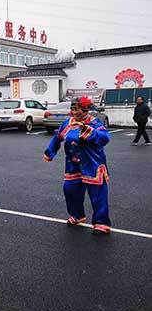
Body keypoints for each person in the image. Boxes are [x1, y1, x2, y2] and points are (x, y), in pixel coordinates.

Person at [43, 96, 112, 234]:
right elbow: (58, 137)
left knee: (98, 194)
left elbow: (105, 138)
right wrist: (50, 152)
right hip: (73, 164)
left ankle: (101, 222)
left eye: (77, 109)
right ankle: (77, 215)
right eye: (72, 109)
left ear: (85, 110)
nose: (74, 112)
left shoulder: (94, 123)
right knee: (70, 190)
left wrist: (89, 131)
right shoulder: (68, 123)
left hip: (92, 164)